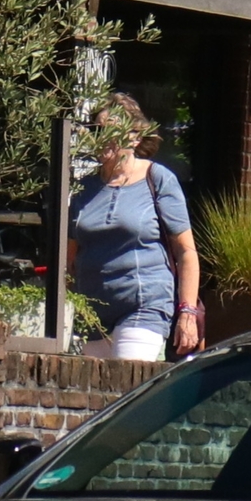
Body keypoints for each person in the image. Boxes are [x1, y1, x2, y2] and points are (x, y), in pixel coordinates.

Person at [66, 94, 202, 361]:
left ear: (134, 137)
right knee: (90, 397)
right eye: (97, 130)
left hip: (143, 303)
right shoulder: (84, 188)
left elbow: (186, 252)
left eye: (111, 130)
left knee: (125, 384)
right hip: (91, 312)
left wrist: (187, 312)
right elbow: (69, 259)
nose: (102, 138)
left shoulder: (158, 178)